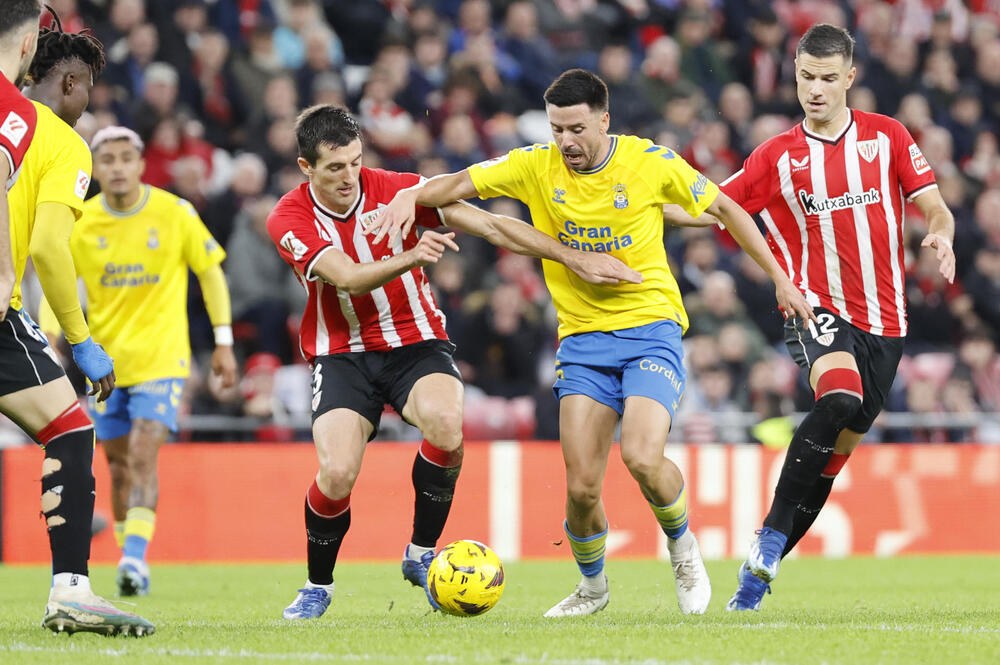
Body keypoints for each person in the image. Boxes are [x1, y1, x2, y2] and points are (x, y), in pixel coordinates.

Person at [369, 69, 813, 617]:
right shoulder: (535, 163)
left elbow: (724, 208)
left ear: (604, 119)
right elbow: (455, 185)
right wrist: (407, 197)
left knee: (643, 457)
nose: (566, 142)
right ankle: (593, 589)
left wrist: (780, 278)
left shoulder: (649, 162)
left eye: (576, 128)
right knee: (581, 490)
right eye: (557, 128)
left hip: (651, 327)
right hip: (581, 339)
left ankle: (682, 545)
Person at [267, 105, 641, 621]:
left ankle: (421, 554)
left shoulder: (399, 188)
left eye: (355, 162)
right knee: (335, 473)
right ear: (306, 168)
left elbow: (490, 225)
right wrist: (412, 257)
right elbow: (348, 278)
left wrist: (574, 257)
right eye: (334, 168)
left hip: (416, 341)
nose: (350, 176)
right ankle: (318, 585)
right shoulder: (287, 218)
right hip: (342, 354)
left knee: (446, 423)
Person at [666, 24, 956, 611]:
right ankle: (770, 537)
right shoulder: (776, 156)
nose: (815, 90)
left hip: (887, 323)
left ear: (850, 78)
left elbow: (935, 206)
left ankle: (753, 581)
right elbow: (714, 208)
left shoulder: (889, 138)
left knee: (832, 459)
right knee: (840, 399)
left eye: (828, 79)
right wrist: (644, 213)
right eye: (805, 78)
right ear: (794, 75)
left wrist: (942, 237)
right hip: (814, 305)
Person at [1, 6, 153, 635]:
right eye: (90, 86)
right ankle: (70, 591)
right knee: (69, 429)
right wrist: (83, 341)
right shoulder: (60, 140)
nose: (91, 100)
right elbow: (48, 248)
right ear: (69, 82)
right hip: (2, 314)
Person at [39, 125, 239, 597]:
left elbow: (210, 273)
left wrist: (224, 341)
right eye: (107, 160)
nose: (117, 168)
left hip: (163, 361)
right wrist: (50, 333)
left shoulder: (174, 212)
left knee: (145, 455)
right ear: (95, 168)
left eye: (126, 158)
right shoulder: (80, 220)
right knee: (120, 467)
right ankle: (129, 553)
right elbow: (55, 279)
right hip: (106, 368)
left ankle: (134, 560)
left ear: (141, 163)